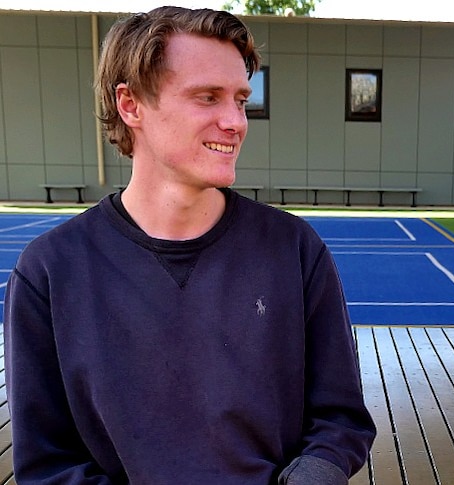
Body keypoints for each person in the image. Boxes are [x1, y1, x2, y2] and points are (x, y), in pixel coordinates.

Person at [4, 6, 375, 484]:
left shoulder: (293, 249)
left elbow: (340, 419)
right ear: (131, 104)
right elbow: (47, 465)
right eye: (208, 97)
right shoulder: (50, 272)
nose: (236, 122)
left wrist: (315, 473)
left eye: (240, 100)